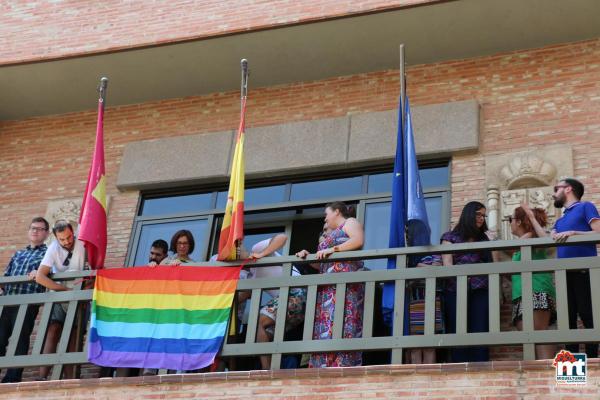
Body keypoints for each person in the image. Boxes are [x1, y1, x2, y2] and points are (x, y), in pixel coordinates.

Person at [296, 201, 365, 368]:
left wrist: (333, 250)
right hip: (327, 287)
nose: (325, 218)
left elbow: (358, 241)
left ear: (337, 212)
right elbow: (322, 264)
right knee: (328, 324)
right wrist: (308, 256)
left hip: (344, 283)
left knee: (344, 320)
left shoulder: (350, 222)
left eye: (327, 213)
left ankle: (343, 363)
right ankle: (325, 364)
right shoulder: (332, 233)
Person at [551, 178, 600, 358]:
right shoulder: (560, 220)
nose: (554, 193)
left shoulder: (585, 207)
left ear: (568, 189)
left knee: (588, 316)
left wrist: (574, 233)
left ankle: (594, 362)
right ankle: (572, 371)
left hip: (584, 271)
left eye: (557, 188)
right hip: (563, 275)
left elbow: (598, 232)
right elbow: (546, 241)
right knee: (567, 320)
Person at [441, 201, 495, 363]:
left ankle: (481, 367)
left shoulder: (485, 239)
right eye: (478, 214)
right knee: (458, 329)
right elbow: (447, 265)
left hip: (481, 289)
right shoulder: (449, 237)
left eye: (483, 216)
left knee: (480, 328)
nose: (481, 219)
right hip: (455, 290)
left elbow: (494, 264)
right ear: (468, 215)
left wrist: (493, 243)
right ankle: (459, 367)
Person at [34, 220, 86, 380]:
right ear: (56, 238)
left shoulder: (83, 243)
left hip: (80, 294)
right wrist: (64, 290)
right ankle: (42, 376)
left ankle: (70, 380)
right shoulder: (53, 248)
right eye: (62, 239)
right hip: (59, 294)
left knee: (75, 335)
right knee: (53, 330)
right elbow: (40, 276)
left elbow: (95, 266)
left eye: (69, 237)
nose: (67, 242)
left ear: (73, 232)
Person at [0, 217, 49, 383]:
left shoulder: (47, 254)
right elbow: (6, 276)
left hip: (28, 302)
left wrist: (39, 274)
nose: (35, 231)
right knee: (0, 337)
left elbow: (49, 273)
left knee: (21, 338)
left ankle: (12, 377)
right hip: (8, 301)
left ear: (46, 233)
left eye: (39, 229)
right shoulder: (19, 253)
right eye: (33, 228)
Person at [250, 234, 307, 369]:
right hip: (296, 306)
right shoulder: (249, 276)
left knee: (261, 322)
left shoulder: (256, 249)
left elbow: (282, 237)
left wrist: (262, 254)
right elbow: (241, 297)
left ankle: (267, 370)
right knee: (263, 333)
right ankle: (270, 370)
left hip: (297, 291)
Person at [509, 204, 556, 359]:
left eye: (511, 219)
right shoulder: (520, 244)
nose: (510, 222)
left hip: (535, 291)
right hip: (521, 294)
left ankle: (548, 377)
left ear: (519, 222)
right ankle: (538, 379)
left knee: (538, 335)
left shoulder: (533, 236)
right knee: (530, 338)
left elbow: (547, 241)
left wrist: (531, 217)